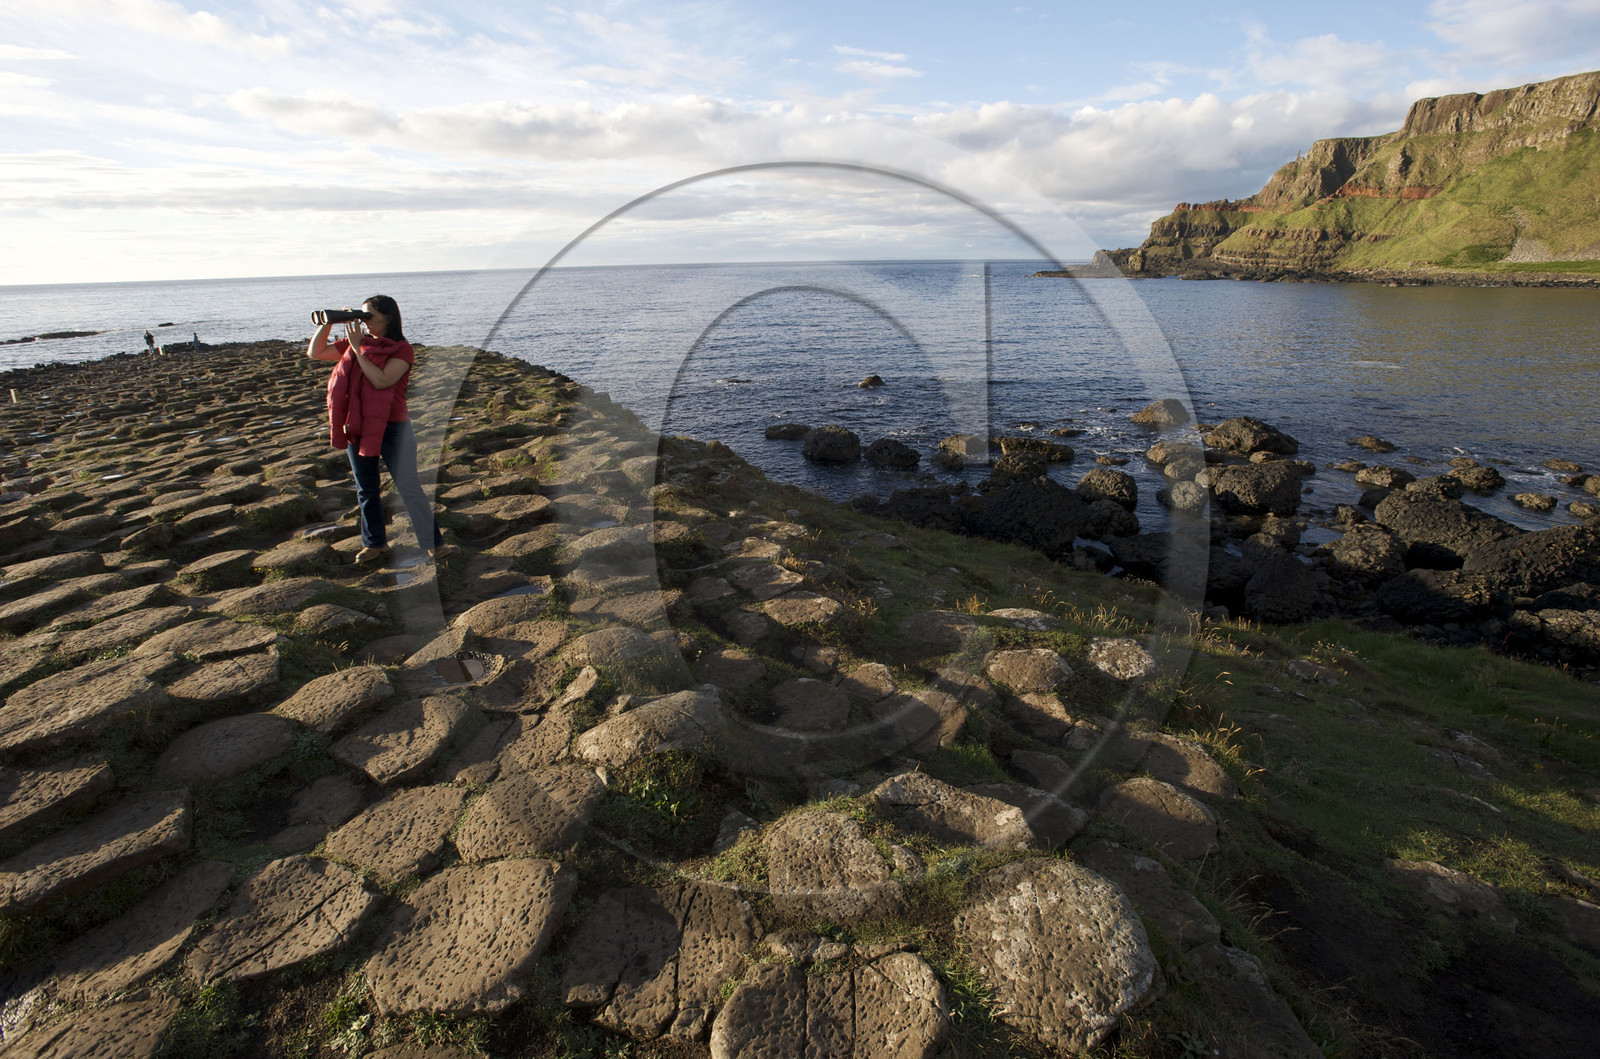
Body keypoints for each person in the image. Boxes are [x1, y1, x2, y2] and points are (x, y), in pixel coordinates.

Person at [308, 295, 453, 564]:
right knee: (366, 489)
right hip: (358, 425)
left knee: (408, 487)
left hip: (394, 428)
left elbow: (382, 380)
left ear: (388, 317)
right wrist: (328, 322)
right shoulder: (359, 342)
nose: (365, 322)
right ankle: (374, 544)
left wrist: (356, 347)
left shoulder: (402, 349)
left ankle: (434, 543)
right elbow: (316, 352)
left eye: (369, 316)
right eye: (362, 316)